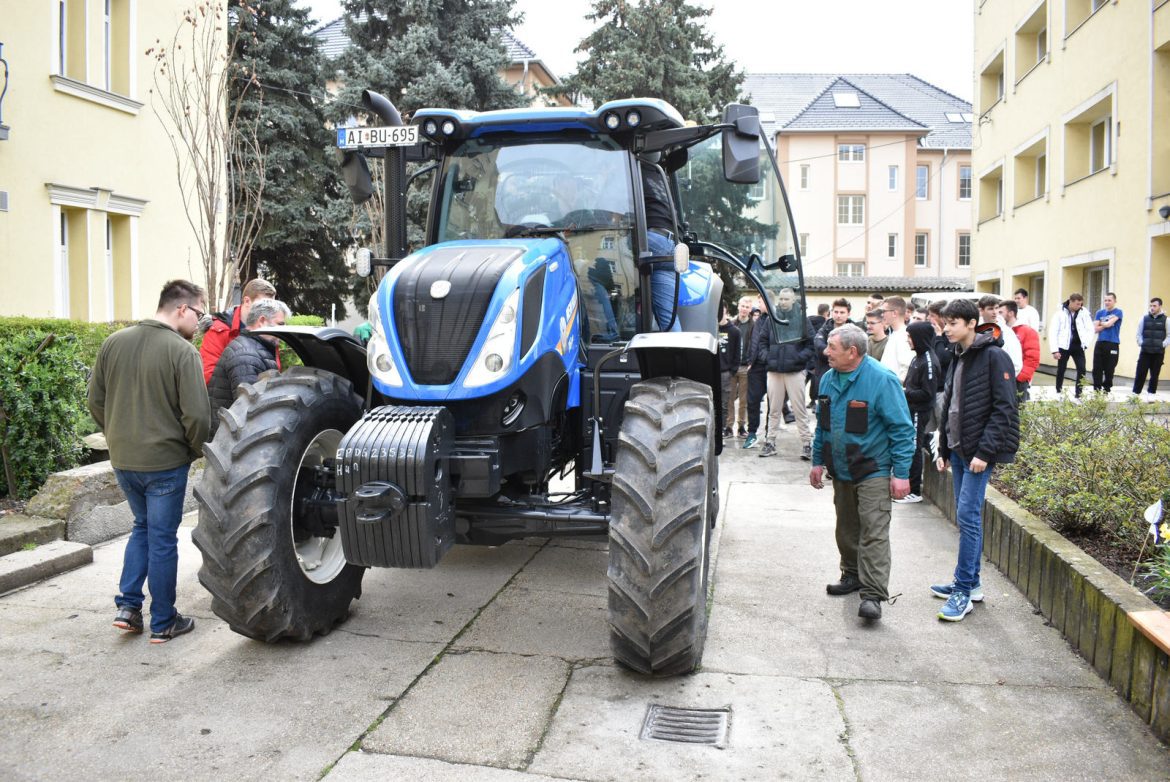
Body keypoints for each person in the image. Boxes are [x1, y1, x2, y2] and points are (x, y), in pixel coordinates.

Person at [88, 280, 211, 643]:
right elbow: (198, 418)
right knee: (161, 539)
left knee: (142, 528)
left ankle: (127, 608)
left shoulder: (114, 342)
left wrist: (117, 436)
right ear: (182, 309)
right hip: (165, 463)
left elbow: (96, 401)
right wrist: (191, 450)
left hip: (124, 460)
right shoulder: (182, 352)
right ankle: (163, 621)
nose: (200, 323)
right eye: (200, 314)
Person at [811, 324, 914, 621]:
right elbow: (824, 426)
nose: (825, 352)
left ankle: (872, 595)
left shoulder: (882, 380)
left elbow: (902, 430)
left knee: (874, 532)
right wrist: (817, 461)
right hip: (841, 469)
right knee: (846, 529)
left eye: (832, 347)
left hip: (874, 470)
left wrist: (902, 473)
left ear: (852, 352)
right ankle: (852, 575)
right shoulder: (829, 379)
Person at [933, 299, 1019, 622]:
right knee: (966, 514)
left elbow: (1005, 409)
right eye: (945, 323)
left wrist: (985, 452)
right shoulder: (956, 356)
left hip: (978, 453)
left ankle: (963, 590)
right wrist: (943, 448)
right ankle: (973, 582)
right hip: (957, 450)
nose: (946, 329)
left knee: (968, 514)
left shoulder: (995, 356)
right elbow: (950, 406)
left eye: (952, 323)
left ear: (971, 323)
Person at [207, 299, 290, 437]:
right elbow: (250, 412)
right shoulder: (246, 354)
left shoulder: (254, 348)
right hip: (232, 444)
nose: (284, 330)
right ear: (262, 321)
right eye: (280, 324)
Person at [759, 288, 814, 460]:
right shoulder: (771, 319)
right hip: (774, 371)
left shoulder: (802, 320)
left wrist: (798, 358)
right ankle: (770, 443)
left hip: (795, 371)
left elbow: (811, 345)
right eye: (781, 299)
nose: (782, 301)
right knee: (773, 410)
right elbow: (762, 342)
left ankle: (806, 444)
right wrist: (767, 358)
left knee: (799, 410)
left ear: (793, 300)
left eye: (786, 299)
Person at [200, 278, 278, 383]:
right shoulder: (220, 330)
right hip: (231, 396)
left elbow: (274, 367)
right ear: (247, 301)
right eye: (262, 305)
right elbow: (208, 375)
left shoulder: (268, 329)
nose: (267, 311)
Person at [897, 321, 940, 505]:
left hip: (918, 411)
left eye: (910, 336)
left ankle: (914, 491)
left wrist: (904, 393)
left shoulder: (929, 361)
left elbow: (927, 393)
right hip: (910, 409)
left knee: (914, 448)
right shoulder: (917, 358)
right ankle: (929, 439)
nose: (908, 340)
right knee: (912, 444)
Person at [641, 160, 681, 333]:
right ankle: (678, 353)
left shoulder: (628, 167)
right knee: (669, 320)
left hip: (651, 240)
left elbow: (616, 218)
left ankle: (611, 331)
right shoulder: (658, 174)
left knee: (596, 264)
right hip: (671, 244)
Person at [1050, 293, 1094, 399]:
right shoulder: (1060, 313)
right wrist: (1055, 350)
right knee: (1061, 369)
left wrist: (1086, 343)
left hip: (1078, 346)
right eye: (1077, 304)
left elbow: (1090, 329)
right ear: (1071, 301)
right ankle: (1058, 391)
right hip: (1063, 345)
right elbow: (1053, 331)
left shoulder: (1084, 313)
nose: (1080, 306)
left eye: (1081, 304)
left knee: (1082, 369)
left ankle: (1079, 394)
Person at [742, 298, 770, 449]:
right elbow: (752, 342)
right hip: (756, 367)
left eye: (761, 302)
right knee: (752, 401)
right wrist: (749, 361)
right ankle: (752, 433)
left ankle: (769, 436)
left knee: (773, 404)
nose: (758, 306)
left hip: (771, 366)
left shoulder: (776, 320)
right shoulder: (758, 321)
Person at [1000, 300, 1040, 402]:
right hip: (1004, 379)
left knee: (1018, 411)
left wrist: (1020, 378)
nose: (997, 315)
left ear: (1011, 313)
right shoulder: (1001, 331)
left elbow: (1032, 358)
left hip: (1018, 380)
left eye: (1001, 312)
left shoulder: (1027, 331)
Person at [727, 296, 756, 436]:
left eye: (747, 307)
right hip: (732, 367)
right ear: (738, 306)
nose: (744, 309)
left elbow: (755, 345)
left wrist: (752, 362)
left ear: (750, 310)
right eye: (742, 306)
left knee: (743, 400)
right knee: (730, 398)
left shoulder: (754, 326)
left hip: (746, 367)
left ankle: (741, 427)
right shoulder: (731, 324)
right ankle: (728, 426)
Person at [977, 295, 1023, 377]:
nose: (995, 312)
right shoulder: (974, 330)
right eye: (990, 309)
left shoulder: (1006, 332)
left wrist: (1003, 379)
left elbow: (1016, 362)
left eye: (996, 308)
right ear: (981, 310)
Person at [1134, 297, 1168, 399]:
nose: (1152, 308)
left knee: (1155, 374)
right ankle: (1135, 393)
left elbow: (1169, 335)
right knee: (1140, 372)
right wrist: (1141, 343)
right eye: (1151, 306)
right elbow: (1138, 333)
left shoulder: (1166, 320)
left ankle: (1151, 394)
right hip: (1145, 351)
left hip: (1158, 352)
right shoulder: (1144, 318)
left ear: (1160, 306)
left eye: (1154, 306)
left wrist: (1162, 344)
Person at [814, 298, 854, 382]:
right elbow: (818, 345)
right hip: (824, 374)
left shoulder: (855, 332)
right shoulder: (824, 330)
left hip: (846, 375)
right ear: (831, 312)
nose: (838, 315)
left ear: (848, 314)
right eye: (836, 312)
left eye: (842, 312)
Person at [1092, 292, 1123, 394]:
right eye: (1105, 300)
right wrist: (1105, 324)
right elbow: (1095, 329)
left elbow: (1109, 324)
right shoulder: (1099, 313)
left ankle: (1106, 389)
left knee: (1109, 368)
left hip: (1112, 343)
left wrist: (1101, 323)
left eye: (1109, 300)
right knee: (1097, 368)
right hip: (1100, 343)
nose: (1107, 302)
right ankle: (1096, 389)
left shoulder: (1118, 312)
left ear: (1115, 301)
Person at [719, 306, 742, 437]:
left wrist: (732, 371)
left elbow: (737, 353)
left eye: (722, 311)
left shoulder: (734, 331)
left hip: (726, 373)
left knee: (725, 404)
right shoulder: (710, 328)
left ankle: (722, 430)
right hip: (711, 372)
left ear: (726, 312)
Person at [879, 296, 914, 381]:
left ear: (894, 313)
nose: (882, 314)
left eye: (884, 311)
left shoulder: (904, 335)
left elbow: (906, 368)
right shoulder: (894, 333)